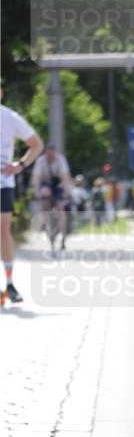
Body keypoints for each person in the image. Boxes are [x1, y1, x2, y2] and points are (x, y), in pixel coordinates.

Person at [0, 81, 44, 302]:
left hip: (3, 182)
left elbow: (36, 144)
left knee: (3, 231)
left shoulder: (9, 117)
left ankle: (9, 283)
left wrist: (20, 166)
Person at [31, 144, 72, 251]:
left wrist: (66, 191)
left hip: (58, 184)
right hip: (46, 184)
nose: (51, 155)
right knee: (44, 201)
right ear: (46, 152)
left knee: (61, 208)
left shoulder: (60, 160)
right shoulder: (40, 161)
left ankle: (63, 236)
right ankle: (46, 224)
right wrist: (37, 192)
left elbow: (65, 177)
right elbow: (36, 177)